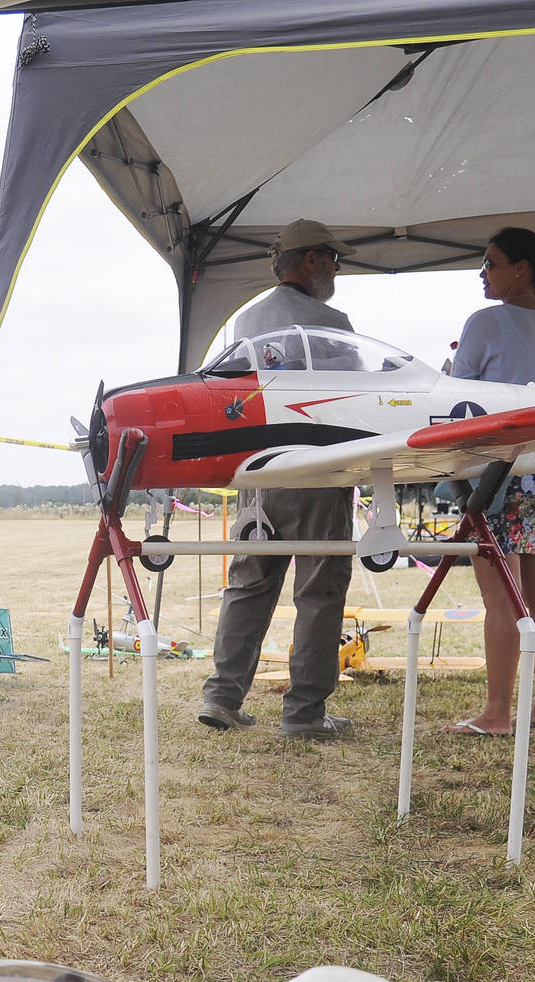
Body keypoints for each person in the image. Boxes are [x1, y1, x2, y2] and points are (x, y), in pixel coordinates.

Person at [198, 219, 359, 740]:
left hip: (259, 474)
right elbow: (358, 397)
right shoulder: (331, 322)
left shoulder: (246, 319)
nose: (337, 269)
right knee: (319, 592)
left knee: (248, 585)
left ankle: (222, 697)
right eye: (333, 259)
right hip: (316, 470)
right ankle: (304, 713)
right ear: (312, 260)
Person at [447, 227, 535, 737]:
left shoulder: (485, 322)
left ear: (520, 268)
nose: (483, 273)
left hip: (499, 468)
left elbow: (456, 393)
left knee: (501, 596)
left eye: (491, 263)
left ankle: (497, 713)